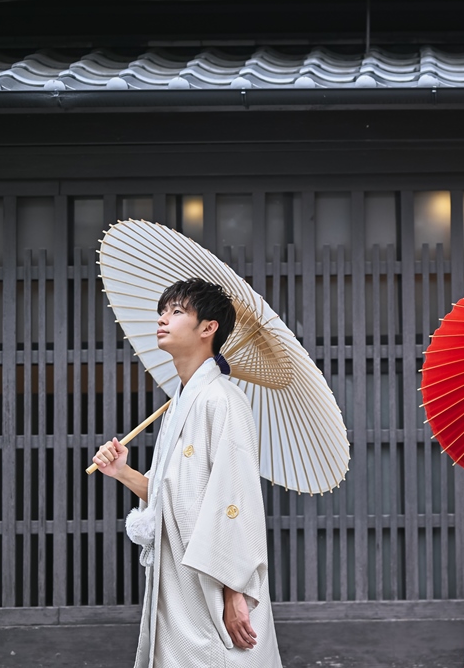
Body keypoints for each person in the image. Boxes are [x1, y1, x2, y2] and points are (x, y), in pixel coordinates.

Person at [91, 278, 283, 668]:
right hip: (176, 579)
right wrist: (123, 472)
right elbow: (172, 494)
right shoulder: (180, 403)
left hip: (211, 584)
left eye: (177, 311)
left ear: (208, 328)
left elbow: (235, 501)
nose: (163, 319)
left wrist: (234, 595)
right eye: (163, 311)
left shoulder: (223, 401)